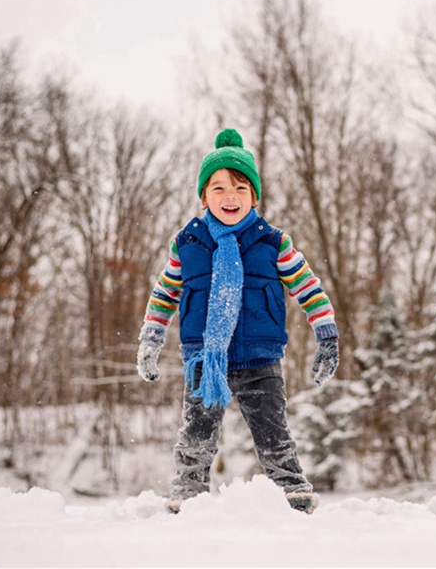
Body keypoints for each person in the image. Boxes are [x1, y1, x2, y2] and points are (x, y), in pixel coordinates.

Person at [135, 128, 339, 515]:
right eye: (219, 188)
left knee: (273, 432)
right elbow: (164, 293)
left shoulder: (271, 242)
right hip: (204, 360)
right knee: (196, 433)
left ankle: (292, 491)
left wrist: (326, 334)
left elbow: (307, 287)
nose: (231, 197)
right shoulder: (188, 243)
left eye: (241, 188)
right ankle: (188, 494)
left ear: (254, 196)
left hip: (259, 355)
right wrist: (151, 338)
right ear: (203, 196)